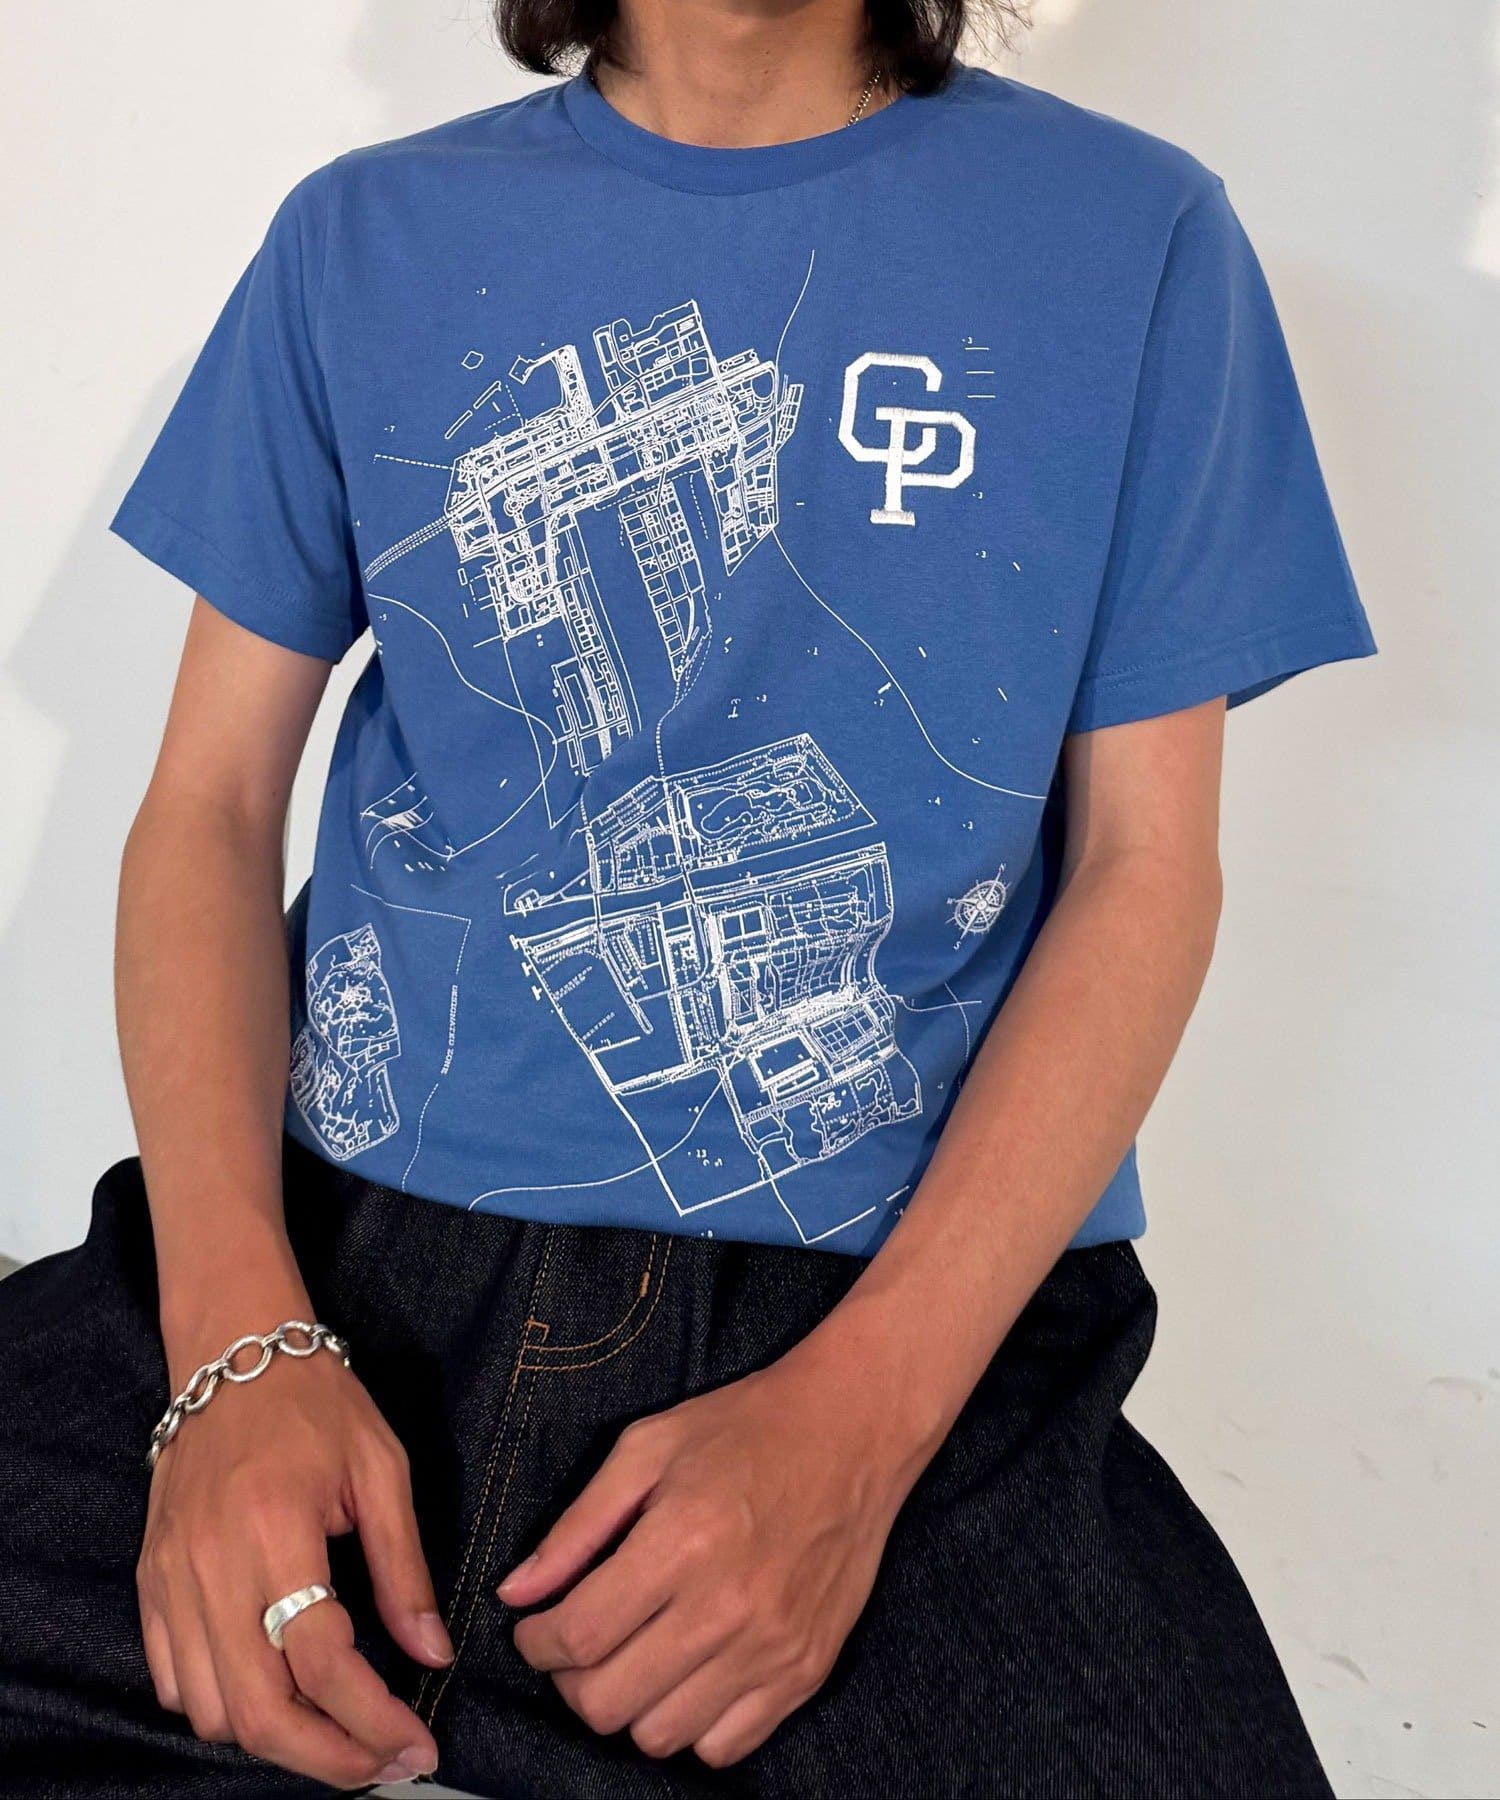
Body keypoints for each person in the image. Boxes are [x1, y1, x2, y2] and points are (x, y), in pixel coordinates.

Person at [0, 0, 1377, 1793]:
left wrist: (861, 1434)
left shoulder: (1140, 240)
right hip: (334, 1257)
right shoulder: (362, 234)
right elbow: (206, 806)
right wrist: (232, 1352)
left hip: (880, 1313)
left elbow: (1146, 869)